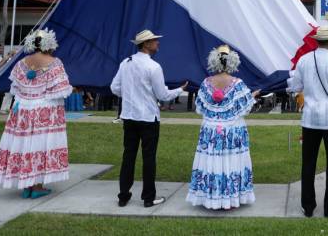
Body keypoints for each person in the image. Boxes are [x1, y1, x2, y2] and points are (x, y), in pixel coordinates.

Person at [0, 29, 72, 198]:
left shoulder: (22, 63)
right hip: (44, 111)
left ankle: (27, 185)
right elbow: (61, 90)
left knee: (23, 145)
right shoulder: (54, 63)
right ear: (49, 44)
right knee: (41, 145)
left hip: (23, 110)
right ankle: (37, 186)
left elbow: (16, 88)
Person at [110, 29, 187, 208]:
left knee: (128, 156)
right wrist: (180, 90)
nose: (157, 43)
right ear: (146, 44)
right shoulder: (153, 67)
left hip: (129, 116)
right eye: (154, 41)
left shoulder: (126, 63)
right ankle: (148, 197)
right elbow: (162, 94)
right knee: (149, 157)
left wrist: (130, 94)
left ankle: (123, 195)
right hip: (148, 117)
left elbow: (115, 87)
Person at [287, 26, 328, 218]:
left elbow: (296, 87)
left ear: (317, 41)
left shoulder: (303, 60)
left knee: (308, 164)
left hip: (310, 119)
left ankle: (308, 206)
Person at [187, 45, 259, 209]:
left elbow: (200, 107)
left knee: (211, 161)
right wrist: (253, 95)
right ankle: (230, 198)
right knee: (232, 161)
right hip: (232, 129)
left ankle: (212, 196)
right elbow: (245, 106)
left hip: (211, 129)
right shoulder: (237, 84)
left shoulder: (206, 83)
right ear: (232, 62)